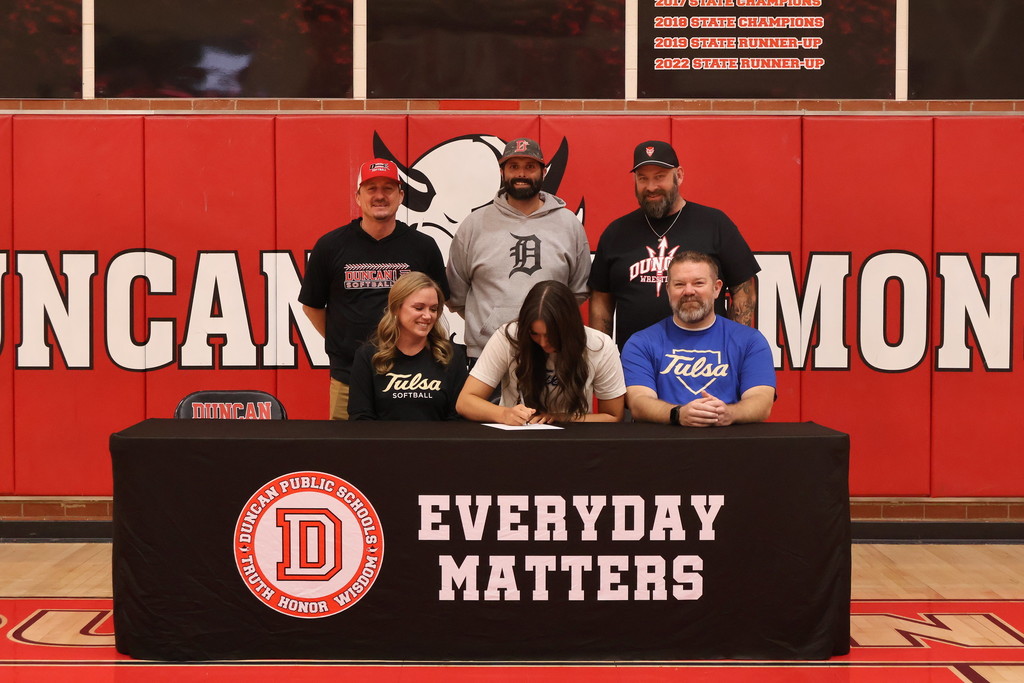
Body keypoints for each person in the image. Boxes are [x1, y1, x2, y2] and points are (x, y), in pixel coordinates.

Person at [299, 158, 449, 420]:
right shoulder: (330, 246)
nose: (380, 196)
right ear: (358, 197)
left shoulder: (423, 247)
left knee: (408, 455)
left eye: (388, 188)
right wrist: (344, 341)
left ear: (401, 195)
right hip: (348, 376)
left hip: (411, 380)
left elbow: (437, 303)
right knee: (345, 457)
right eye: (371, 188)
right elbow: (312, 305)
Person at [589, 140, 760, 349]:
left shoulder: (714, 224)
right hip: (636, 364)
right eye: (643, 179)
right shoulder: (616, 232)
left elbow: (744, 288)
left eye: (660, 177)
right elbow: (601, 302)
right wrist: (601, 356)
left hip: (706, 362)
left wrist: (734, 346)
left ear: (679, 175)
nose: (651, 187)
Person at [446, 137, 591, 360]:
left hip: (551, 353)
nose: (521, 174)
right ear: (502, 172)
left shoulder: (569, 224)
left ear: (543, 172)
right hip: (487, 355)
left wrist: (550, 323)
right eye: (514, 166)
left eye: (530, 167)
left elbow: (578, 290)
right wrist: (488, 325)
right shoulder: (474, 225)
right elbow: (456, 294)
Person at [622, 251, 775, 427]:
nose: (688, 291)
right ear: (668, 289)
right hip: (663, 446)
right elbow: (638, 402)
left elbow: (761, 401)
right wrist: (678, 414)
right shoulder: (641, 343)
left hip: (730, 444)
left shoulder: (750, 341)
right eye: (679, 284)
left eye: (698, 283)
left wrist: (729, 413)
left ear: (716, 288)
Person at [457, 280, 625, 425]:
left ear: (569, 329)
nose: (544, 343)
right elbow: (465, 402)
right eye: (534, 334)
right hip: (517, 439)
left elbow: (613, 416)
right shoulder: (508, 336)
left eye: (552, 335)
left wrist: (562, 418)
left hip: (574, 441)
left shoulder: (599, 345)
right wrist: (504, 414)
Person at [348, 272, 467, 421]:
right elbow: (360, 417)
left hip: (438, 444)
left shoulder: (451, 355)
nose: (428, 316)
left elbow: (457, 419)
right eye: (419, 308)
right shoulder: (368, 355)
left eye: (433, 309)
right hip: (382, 444)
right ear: (397, 308)